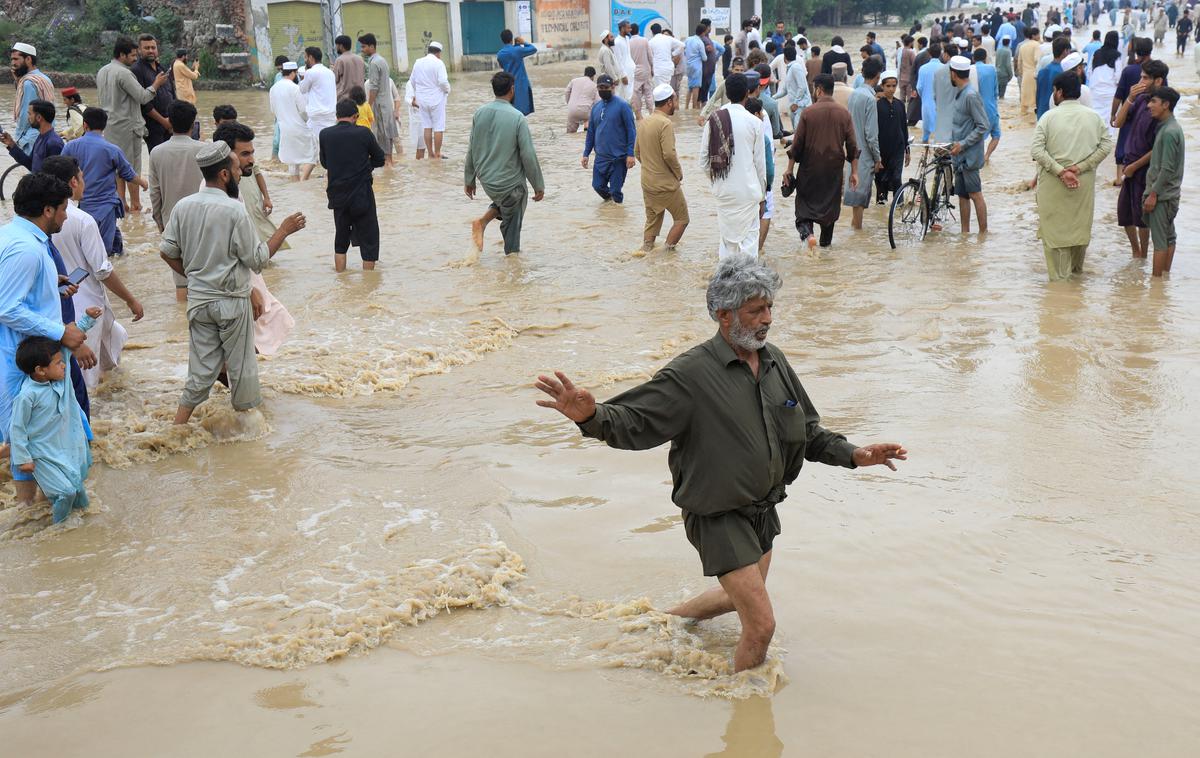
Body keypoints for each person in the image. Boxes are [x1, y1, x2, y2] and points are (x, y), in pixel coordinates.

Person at [534, 254, 906, 673]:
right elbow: (634, 423)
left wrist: (856, 455)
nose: (767, 318)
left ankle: (662, 623)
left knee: (736, 597)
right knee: (761, 625)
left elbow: (807, 430)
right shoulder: (690, 375)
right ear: (724, 315)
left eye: (769, 307)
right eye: (756, 310)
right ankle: (745, 712)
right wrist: (590, 415)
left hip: (762, 512)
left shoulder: (773, 361)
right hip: (717, 515)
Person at [158, 141, 305, 425]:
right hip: (231, 303)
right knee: (241, 369)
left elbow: (166, 251)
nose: (240, 174)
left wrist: (195, 278)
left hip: (199, 301)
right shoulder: (234, 211)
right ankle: (250, 434)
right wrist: (283, 230)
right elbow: (258, 259)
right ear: (224, 174)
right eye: (237, 169)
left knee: (200, 370)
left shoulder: (183, 206)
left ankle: (177, 428)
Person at [0, 173, 88, 510]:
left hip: (20, 353)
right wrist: (60, 332)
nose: (67, 215)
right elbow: (7, 306)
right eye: (64, 209)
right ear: (48, 210)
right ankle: (26, 511)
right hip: (18, 358)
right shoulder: (28, 251)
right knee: (25, 437)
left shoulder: (13, 235)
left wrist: (50, 282)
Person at [41, 155, 143, 388]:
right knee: (86, 376)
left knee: (113, 343)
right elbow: (102, 270)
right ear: (74, 183)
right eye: (82, 177)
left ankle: (118, 397)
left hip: (62, 306)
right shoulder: (82, 220)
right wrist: (131, 300)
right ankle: (100, 414)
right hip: (88, 308)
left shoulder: (39, 217)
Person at [211, 121, 295, 356]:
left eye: (252, 153)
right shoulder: (226, 205)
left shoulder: (221, 194)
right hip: (236, 290)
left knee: (244, 346)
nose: (251, 160)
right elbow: (251, 258)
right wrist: (283, 230)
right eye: (245, 154)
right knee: (241, 352)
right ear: (228, 161)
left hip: (234, 288)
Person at [9, 313, 99, 524]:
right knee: (65, 492)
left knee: (79, 493)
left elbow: (70, 344)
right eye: (58, 363)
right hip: (42, 454)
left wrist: (88, 320)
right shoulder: (27, 396)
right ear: (40, 371)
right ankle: (58, 530)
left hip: (65, 446)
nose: (64, 366)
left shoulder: (60, 379)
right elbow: (17, 428)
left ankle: (79, 531)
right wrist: (23, 458)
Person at [1030, 72, 1113, 280]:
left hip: (1053, 186)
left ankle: (1059, 290)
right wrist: (1080, 167)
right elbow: (1106, 146)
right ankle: (1075, 287)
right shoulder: (1093, 117)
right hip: (1082, 185)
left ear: (1059, 92)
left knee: (1055, 237)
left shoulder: (1048, 117)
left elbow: (1036, 151)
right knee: (1078, 233)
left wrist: (1060, 171)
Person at [464, 72, 545, 255]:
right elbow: (528, 155)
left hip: (487, 182)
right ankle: (512, 260)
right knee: (517, 197)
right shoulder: (517, 117)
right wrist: (538, 185)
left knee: (507, 199)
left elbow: (471, 148)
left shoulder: (479, 113)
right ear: (512, 90)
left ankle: (483, 222)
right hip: (509, 185)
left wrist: (469, 179)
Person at [782, 74, 857, 249]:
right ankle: (825, 249)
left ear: (819, 90)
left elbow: (797, 144)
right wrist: (854, 172)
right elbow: (852, 145)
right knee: (829, 215)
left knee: (803, 213)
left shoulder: (808, 112)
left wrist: (789, 169)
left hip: (810, 171)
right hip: (833, 173)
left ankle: (808, 236)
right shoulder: (844, 114)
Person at [61, 107, 146, 257]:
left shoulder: (70, 147)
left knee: (96, 244)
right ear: (104, 126)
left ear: (85, 125)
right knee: (103, 252)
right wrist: (143, 182)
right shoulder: (112, 149)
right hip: (106, 206)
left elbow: (59, 169)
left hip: (83, 205)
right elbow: (128, 174)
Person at [96, 37, 167, 212]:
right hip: (128, 126)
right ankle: (136, 205)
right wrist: (156, 85)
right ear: (122, 55)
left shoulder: (103, 71)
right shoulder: (124, 73)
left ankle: (122, 203)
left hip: (111, 126)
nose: (135, 59)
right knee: (131, 168)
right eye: (133, 55)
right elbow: (143, 97)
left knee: (117, 166)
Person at [700, 73, 766, 259]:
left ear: (727, 93)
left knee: (727, 241)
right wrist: (762, 197)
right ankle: (747, 284)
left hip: (724, 192)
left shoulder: (714, 120)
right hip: (748, 192)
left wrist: (719, 180)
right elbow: (760, 166)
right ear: (747, 93)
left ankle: (725, 282)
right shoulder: (755, 123)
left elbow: (703, 161)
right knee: (749, 243)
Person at [146, 100, 205, 300]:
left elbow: (155, 193)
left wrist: (159, 222)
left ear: (169, 121)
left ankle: (181, 325)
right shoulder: (204, 150)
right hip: (204, 219)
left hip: (172, 221)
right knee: (206, 274)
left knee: (181, 280)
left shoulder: (157, 152)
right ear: (193, 123)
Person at [320, 99, 386, 272]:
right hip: (362, 195)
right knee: (369, 239)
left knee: (341, 240)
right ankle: (368, 283)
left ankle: (341, 278)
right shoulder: (364, 133)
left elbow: (325, 163)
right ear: (355, 116)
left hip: (338, 196)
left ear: (337, 116)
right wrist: (365, 167)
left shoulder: (325, 134)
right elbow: (380, 159)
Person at [1114, 59, 1168, 259]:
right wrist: (1129, 98)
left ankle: (1143, 255)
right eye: (1140, 77)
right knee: (1124, 213)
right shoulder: (1140, 100)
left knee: (1142, 218)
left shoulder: (1161, 108)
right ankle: (1136, 252)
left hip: (1144, 170)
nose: (1140, 81)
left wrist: (1135, 166)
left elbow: (1157, 149)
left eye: (1145, 78)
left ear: (1158, 81)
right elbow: (1117, 123)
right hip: (1130, 165)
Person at [635, 84, 688, 252]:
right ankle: (666, 254)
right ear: (669, 102)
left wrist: (652, 167)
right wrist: (678, 173)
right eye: (676, 99)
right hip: (665, 184)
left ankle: (647, 251)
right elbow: (669, 155)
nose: (677, 103)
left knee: (653, 219)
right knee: (682, 219)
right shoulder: (665, 123)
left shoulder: (644, 122)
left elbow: (637, 153)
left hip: (647, 182)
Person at [1142, 86, 1183, 277]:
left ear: (1166, 105)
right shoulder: (1171, 127)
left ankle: (1156, 287)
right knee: (1169, 237)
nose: (1149, 106)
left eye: (1154, 102)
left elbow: (1166, 169)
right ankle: (1164, 279)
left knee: (1159, 242)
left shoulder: (1168, 132)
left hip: (1162, 195)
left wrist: (1153, 194)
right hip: (1170, 194)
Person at [947, 56, 989, 234]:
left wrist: (963, 144)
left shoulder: (971, 96)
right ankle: (965, 233)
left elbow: (983, 126)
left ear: (953, 74)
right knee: (962, 195)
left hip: (969, 156)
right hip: (958, 156)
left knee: (975, 194)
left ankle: (983, 233)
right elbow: (960, 125)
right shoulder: (961, 94)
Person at [582, 75, 636, 204]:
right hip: (601, 158)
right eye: (600, 87)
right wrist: (586, 154)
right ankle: (610, 209)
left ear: (613, 87)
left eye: (605, 87)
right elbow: (591, 133)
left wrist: (630, 154)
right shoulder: (596, 108)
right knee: (597, 186)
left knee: (615, 191)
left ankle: (618, 216)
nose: (603, 90)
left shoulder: (623, 106)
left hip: (618, 158)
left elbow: (631, 131)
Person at [1112, 38, 1158, 186]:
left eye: (1145, 78)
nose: (1142, 81)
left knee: (1123, 144)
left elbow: (1118, 96)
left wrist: (1113, 113)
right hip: (1139, 114)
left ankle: (1120, 178)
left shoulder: (1129, 70)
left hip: (1128, 114)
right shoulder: (1157, 71)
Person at [844, 57, 882, 228]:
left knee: (855, 197)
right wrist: (878, 158)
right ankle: (857, 232)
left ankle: (855, 232)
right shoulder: (870, 99)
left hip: (851, 151)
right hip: (865, 154)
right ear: (878, 76)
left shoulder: (854, 94)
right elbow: (871, 134)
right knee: (860, 199)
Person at [131, 34, 176, 156]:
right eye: (146, 48)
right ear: (139, 50)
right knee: (159, 161)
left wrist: (173, 119)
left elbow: (172, 93)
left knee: (172, 160)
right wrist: (164, 122)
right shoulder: (136, 70)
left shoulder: (162, 68)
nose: (151, 50)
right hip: (153, 126)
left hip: (171, 123)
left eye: (153, 47)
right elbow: (143, 103)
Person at [270, 62, 317, 180]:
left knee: (292, 160)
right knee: (314, 154)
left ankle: (295, 185)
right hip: (299, 127)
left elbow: (273, 110)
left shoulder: (273, 88)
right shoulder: (295, 88)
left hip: (284, 128)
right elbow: (303, 110)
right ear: (293, 73)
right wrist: (307, 122)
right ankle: (303, 180)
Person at [9, 43, 54, 153]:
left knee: (34, 168)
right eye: (12, 59)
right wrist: (18, 81)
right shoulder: (43, 78)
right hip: (47, 133)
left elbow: (26, 114)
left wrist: (18, 137)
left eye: (16, 59)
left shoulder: (28, 82)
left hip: (31, 138)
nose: (13, 63)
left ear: (28, 59)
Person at [409, 42, 451, 159]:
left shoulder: (418, 62)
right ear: (438, 53)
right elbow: (443, 82)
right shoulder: (439, 63)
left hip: (422, 100)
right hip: (436, 99)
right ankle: (437, 153)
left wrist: (418, 93)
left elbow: (412, 81)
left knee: (427, 126)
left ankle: (430, 153)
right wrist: (447, 90)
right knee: (438, 126)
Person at [875, 71, 910, 205]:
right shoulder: (877, 105)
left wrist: (907, 150)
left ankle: (898, 207)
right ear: (882, 86)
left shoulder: (900, 105)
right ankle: (880, 211)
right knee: (880, 180)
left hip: (898, 148)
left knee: (896, 178)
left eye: (894, 86)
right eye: (888, 86)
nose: (891, 89)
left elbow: (904, 128)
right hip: (882, 149)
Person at [2, 99, 62, 172]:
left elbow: (55, 177)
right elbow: (30, 164)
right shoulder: (40, 137)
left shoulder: (54, 143)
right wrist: (11, 144)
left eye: (30, 114)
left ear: (39, 117)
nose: (28, 118)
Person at [299, 47, 337, 158]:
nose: (305, 60)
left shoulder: (310, 72)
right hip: (330, 115)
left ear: (310, 57)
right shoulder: (330, 72)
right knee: (328, 147)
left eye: (305, 57)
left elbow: (302, 89)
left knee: (313, 150)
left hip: (317, 117)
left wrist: (305, 73)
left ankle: (310, 172)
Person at [972, 48, 1002, 163]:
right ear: (985, 58)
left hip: (976, 109)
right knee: (996, 135)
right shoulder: (991, 69)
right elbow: (996, 92)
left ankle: (978, 158)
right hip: (991, 108)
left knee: (977, 137)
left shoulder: (971, 70)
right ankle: (986, 156)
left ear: (973, 58)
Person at [774, 45, 812, 130]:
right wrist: (773, 98)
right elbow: (785, 90)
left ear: (785, 57)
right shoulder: (790, 68)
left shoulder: (795, 67)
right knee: (797, 132)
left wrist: (796, 103)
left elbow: (802, 87)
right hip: (795, 107)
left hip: (801, 106)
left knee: (799, 132)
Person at [917, 43, 948, 141]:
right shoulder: (945, 68)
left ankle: (924, 154)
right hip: (942, 105)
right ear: (940, 54)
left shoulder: (923, 68)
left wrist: (924, 97)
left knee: (926, 133)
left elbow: (919, 87)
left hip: (926, 103)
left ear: (929, 54)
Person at [1036, 36, 1071, 118]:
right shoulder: (1064, 73)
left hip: (1041, 115)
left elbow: (1038, 96)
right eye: (1069, 51)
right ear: (1065, 51)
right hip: (1056, 116)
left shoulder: (1041, 72)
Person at [629, 23, 655, 117]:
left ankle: (638, 115)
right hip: (646, 70)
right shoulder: (644, 40)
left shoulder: (628, 42)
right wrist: (652, 68)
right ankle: (652, 113)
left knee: (636, 94)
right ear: (638, 30)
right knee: (648, 92)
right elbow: (650, 56)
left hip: (634, 72)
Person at [649, 23, 685, 90]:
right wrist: (673, 54)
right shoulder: (668, 38)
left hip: (658, 69)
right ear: (660, 30)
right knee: (667, 88)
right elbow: (682, 45)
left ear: (652, 32)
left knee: (659, 90)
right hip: (669, 68)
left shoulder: (651, 42)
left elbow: (650, 57)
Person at [565, 66, 599, 133]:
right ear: (593, 76)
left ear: (584, 73)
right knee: (589, 127)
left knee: (570, 133)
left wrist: (569, 103)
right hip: (586, 112)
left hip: (572, 111)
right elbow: (597, 102)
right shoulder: (594, 86)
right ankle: (586, 129)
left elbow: (567, 92)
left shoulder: (574, 81)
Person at [331, 34, 365, 101]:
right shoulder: (360, 59)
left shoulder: (340, 60)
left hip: (345, 99)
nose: (336, 47)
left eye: (337, 45)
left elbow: (334, 79)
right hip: (360, 98)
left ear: (341, 46)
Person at [1017, 27, 1042, 117]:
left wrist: (1021, 73)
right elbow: (1037, 60)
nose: (1039, 36)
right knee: (1034, 99)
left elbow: (1019, 62)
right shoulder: (1037, 45)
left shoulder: (1022, 46)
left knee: (1024, 99)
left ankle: (1023, 116)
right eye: (1038, 34)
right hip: (1034, 74)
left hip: (1025, 75)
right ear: (1033, 36)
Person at [614, 21, 636, 103]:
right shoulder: (617, 42)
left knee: (630, 95)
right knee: (622, 95)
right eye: (628, 28)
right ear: (622, 28)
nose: (630, 30)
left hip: (631, 71)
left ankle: (630, 114)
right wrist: (623, 75)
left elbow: (628, 55)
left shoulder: (627, 39)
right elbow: (618, 60)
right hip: (624, 73)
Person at [684, 25, 706, 109]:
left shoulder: (688, 39)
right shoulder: (700, 42)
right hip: (697, 67)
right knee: (696, 88)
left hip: (688, 66)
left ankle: (686, 107)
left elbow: (684, 50)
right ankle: (694, 107)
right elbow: (704, 58)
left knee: (689, 88)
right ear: (703, 33)